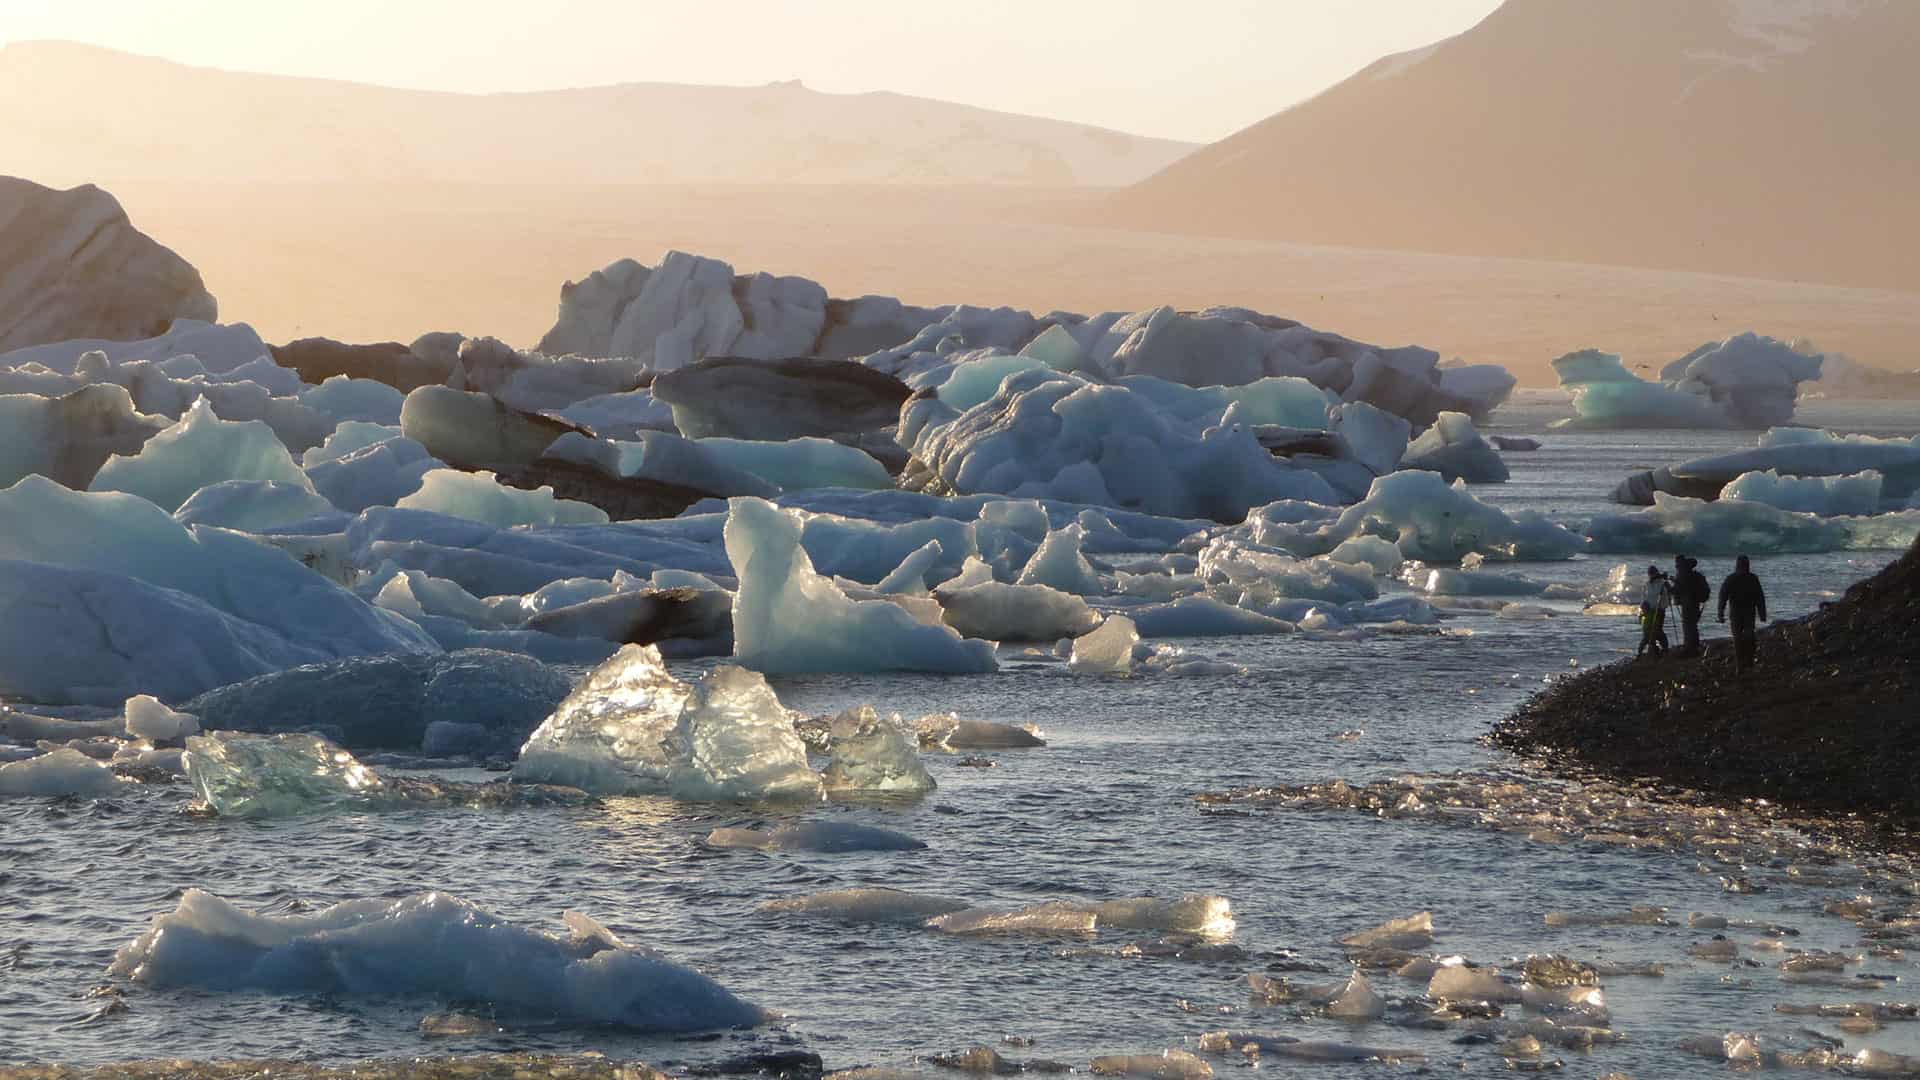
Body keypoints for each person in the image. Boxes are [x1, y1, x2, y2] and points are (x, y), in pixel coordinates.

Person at [1717, 554, 1768, 672]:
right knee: (1741, 637)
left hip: (1743, 612)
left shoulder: (1744, 578)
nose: (1744, 568)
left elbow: (1759, 597)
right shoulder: (1748, 578)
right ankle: (1743, 663)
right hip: (1740, 613)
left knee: (1743, 637)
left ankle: (1745, 662)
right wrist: (1720, 612)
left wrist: (1720, 613)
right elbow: (1723, 596)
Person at [1672, 555, 1711, 657]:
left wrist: (1669, 586)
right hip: (1695, 603)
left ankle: (1689, 649)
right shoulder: (1694, 575)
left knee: (1688, 626)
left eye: (1677, 565)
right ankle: (1694, 647)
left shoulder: (1683, 575)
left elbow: (1677, 590)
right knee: (1692, 626)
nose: (1677, 567)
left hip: (1688, 604)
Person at [1637, 565, 1672, 658]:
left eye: (1652, 573)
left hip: (1659, 610)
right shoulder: (1647, 584)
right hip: (1648, 611)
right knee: (1648, 631)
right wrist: (1642, 609)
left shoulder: (1662, 583)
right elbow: (1644, 597)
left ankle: (1663, 649)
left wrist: (1663, 606)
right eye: (1650, 574)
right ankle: (1653, 649)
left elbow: (1667, 597)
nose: (1651, 576)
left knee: (1657, 631)